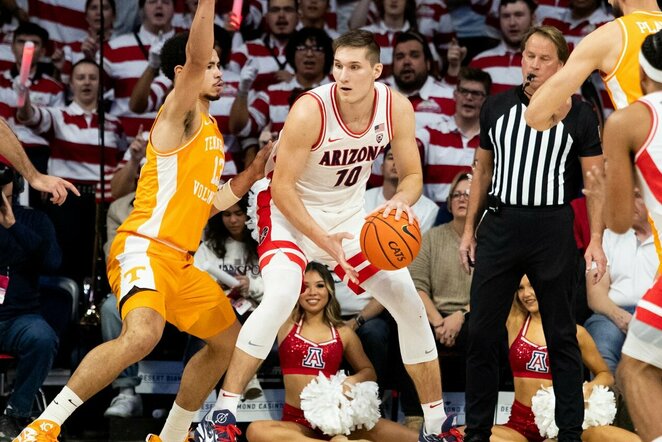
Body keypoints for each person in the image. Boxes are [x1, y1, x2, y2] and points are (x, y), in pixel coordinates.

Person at [14, 2, 269, 441]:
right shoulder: (179, 112)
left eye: (220, 65)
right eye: (210, 65)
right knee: (142, 336)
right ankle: (43, 427)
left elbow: (208, 203)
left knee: (229, 341)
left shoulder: (211, 133)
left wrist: (253, 171)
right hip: (145, 247)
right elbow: (194, 52)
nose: (219, 71)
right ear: (183, 74)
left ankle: (170, 436)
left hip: (182, 263)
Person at [195, 29, 460, 442]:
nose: (344, 75)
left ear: (376, 70)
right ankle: (222, 415)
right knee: (282, 294)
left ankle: (436, 425)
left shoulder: (397, 108)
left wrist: (399, 204)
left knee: (408, 302)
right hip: (286, 209)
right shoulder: (310, 110)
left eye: (354, 67)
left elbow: (411, 177)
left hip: (349, 215)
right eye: (338, 66)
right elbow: (281, 187)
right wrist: (323, 239)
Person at [458, 26, 605, 442]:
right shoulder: (497, 107)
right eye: (528, 56)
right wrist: (469, 229)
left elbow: (595, 181)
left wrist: (595, 240)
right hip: (500, 224)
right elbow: (482, 170)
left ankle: (570, 434)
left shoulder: (579, 114)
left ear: (562, 66)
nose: (534, 65)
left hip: (552, 228)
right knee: (482, 333)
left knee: (561, 334)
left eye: (544, 59)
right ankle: (477, 433)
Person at [583, 30, 662, 442]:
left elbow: (616, 222)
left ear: (643, 79)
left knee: (634, 369)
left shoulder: (629, 120)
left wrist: (599, 194)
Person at [246, 262, 421, 442]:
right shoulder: (287, 323)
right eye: (305, 287)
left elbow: (369, 372)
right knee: (256, 430)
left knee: (413, 438)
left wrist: (351, 381)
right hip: (297, 424)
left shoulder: (343, 333)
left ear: (330, 290)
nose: (312, 292)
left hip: (340, 423)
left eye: (320, 285)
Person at [489, 275, 640, 442]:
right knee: (464, 435)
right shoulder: (515, 323)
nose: (526, 294)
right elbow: (498, 281)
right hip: (519, 428)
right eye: (520, 288)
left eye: (532, 286)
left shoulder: (576, 333)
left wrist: (589, 387)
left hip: (564, 426)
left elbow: (606, 374)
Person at [15, 58, 126, 286]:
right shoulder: (58, 116)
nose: (87, 82)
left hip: (101, 202)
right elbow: (28, 116)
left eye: (93, 78)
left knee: (98, 261)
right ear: (71, 84)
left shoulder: (114, 123)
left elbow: (121, 159)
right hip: (65, 201)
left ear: (100, 85)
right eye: (81, 77)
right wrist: (23, 96)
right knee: (64, 260)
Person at [400, 172, 473, 431]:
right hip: (435, 313)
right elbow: (416, 284)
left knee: (481, 332)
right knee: (412, 329)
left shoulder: (489, 240)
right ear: (449, 202)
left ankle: (475, 416)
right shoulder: (431, 237)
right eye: (457, 194)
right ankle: (414, 415)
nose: (462, 199)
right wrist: (439, 321)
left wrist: (460, 316)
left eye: (468, 194)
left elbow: (493, 292)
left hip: (471, 312)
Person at [525, 0, 662, 130]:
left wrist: (555, 118)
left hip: (646, 147)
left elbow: (535, 115)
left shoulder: (609, 36)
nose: (609, 2)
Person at [0, 163, 60, 439]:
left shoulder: (35, 221)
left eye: (7, 195)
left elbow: (52, 263)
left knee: (42, 337)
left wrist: (13, 225)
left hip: (18, 319)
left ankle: (16, 413)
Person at [584, 189, 658, 375]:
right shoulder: (606, 238)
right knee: (603, 343)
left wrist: (643, 320)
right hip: (611, 314)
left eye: (637, 196)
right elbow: (595, 295)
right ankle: (607, 401)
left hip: (655, 316)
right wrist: (620, 317)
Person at [469, 0, 535, 94]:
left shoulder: (546, 64)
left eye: (518, 15)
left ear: (532, 18)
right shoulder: (479, 62)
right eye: (506, 16)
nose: (512, 23)